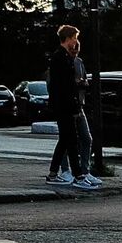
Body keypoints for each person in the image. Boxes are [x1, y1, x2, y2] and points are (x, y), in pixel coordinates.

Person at [47, 25, 100, 189]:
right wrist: (74, 107)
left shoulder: (63, 57)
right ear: (68, 38)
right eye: (74, 38)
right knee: (70, 141)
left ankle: (53, 173)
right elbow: (65, 86)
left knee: (65, 140)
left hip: (63, 106)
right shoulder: (61, 59)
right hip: (65, 106)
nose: (76, 41)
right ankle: (78, 176)